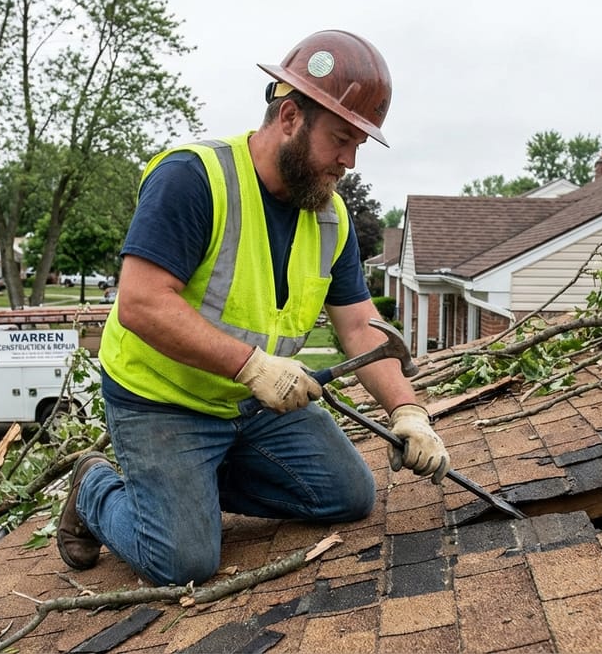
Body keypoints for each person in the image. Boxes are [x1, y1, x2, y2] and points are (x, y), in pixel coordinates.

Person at [56, 29, 450, 587]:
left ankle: (189, 485)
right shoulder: (192, 178)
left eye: (359, 144)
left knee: (350, 495)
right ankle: (95, 488)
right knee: (184, 562)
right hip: (164, 400)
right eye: (341, 138)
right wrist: (252, 366)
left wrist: (407, 411)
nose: (350, 161)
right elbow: (141, 304)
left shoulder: (330, 218)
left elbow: (362, 327)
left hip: (253, 406)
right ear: (290, 117)